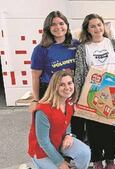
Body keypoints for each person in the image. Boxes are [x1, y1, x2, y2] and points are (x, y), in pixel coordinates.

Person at [74, 13, 115, 169]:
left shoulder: (113, 43)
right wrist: (76, 97)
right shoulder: (83, 48)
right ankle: (97, 161)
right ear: (87, 29)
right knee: (93, 130)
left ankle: (110, 160)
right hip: (93, 92)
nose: (97, 28)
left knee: (110, 129)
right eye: (92, 26)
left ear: (103, 26)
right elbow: (79, 73)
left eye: (99, 25)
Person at [28, 11, 86, 142]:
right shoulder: (41, 49)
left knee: (77, 125)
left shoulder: (76, 45)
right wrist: (37, 101)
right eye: (53, 24)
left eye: (61, 23)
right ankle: (58, 158)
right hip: (50, 92)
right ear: (48, 28)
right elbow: (35, 77)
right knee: (55, 128)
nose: (58, 27)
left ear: (67, 25)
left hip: (71, 90)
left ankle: (75, 155)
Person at [28, 70, 91, 169]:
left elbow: (67, 123)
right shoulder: (42, 110)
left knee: (85, 152)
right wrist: (60, 162)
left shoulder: (68, 103)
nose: (67, 88)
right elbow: (43, 142)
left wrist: (68, 135)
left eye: (69, 83)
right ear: (54, 87)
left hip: (58, 143)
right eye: (62, 84)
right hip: (41, 151)